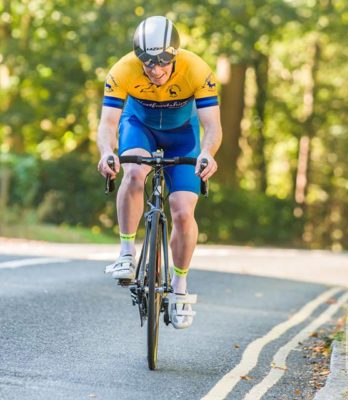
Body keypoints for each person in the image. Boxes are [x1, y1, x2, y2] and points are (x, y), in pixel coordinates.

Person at [96, 16, 222, 329]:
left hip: (183, 135)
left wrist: (208, 153)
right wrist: (107, 152)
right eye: (148, 62)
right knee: (133, 173)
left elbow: (212, 125)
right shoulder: (122, 70)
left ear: (175, 54)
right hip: (139, 128)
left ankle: (180, 287)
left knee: (182, 211)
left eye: (163, 61)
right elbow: (108, 123)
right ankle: (127, 253)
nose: (155, 70)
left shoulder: (197, 69)